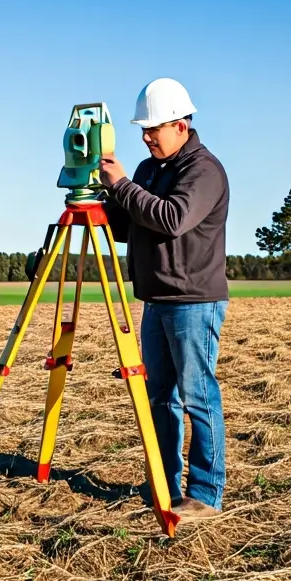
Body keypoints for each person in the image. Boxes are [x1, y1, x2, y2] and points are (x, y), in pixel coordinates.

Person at [99, 77, 230, 521]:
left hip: (194, 300)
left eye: (153, 128)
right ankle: (164, 482)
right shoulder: (148, 170)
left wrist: (122, 188)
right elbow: (128, 226)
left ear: (180, 124)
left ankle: (206, 494)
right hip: (156, 298)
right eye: (144, 129)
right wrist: (102, 197)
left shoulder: (204, 171)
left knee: (198, 396)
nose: (145, 136)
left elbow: (172, 219)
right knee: (159, 398)